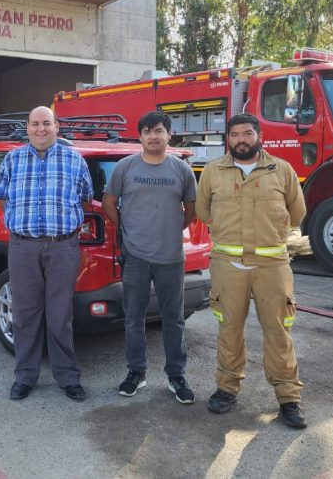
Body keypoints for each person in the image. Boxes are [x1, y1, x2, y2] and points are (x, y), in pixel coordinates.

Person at [196, 113, 308, 429]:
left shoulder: (282, 170)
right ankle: (226, 389)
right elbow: (204, 212)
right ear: (228, 139)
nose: (241, 140)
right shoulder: (212, 172)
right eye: (235, 135)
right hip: (228, 267)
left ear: (259, 136)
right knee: (229, 330)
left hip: (272, 266)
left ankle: (289, 399)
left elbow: (298, 213)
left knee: (278, 332)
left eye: (247, 133)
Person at [0, 106, 93, 401]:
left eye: (46, 123)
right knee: (25, 314)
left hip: (62, 246)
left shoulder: (74, 159)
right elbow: (0, 198)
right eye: (35, 124)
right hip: (23, 247)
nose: (41, 129)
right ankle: (25, 377)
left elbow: (85, 199)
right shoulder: (13, 159)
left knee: (60, 315)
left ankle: (67, 377)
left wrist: (61, 227)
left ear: (56, 126)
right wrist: (20, 225)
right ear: (28, 127)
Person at [102, 111, 197, 404]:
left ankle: (176, 375)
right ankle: (136, 373)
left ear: (169, 134)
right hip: (136, 257)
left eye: (158, 130)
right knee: (133, 318)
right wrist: (129, 230)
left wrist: (168, 231)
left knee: (173, 319)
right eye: (147, 131)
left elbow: (190, 210)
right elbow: (109, 203)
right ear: (140, 136)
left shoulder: (182, 170)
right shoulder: (124, 167)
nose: (153, 136)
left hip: (171, 257)